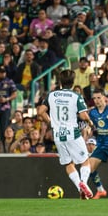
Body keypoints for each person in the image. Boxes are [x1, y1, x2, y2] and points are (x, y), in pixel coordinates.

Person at [37, 69, 94, 199]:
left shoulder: (52, 95)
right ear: (73, 82)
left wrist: (51, 123)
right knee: (85, 161)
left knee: (68, 164)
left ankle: (80, 188)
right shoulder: (76, 96)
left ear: (60, 82)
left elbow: (40, 111)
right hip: (72, 133)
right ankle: (83, 184)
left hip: (57, 135)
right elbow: (83, 115)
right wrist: (90, 123)